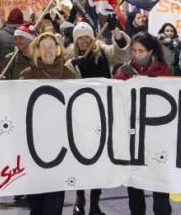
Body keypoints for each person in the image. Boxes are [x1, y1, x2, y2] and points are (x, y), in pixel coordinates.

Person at [66, 22, 129, 215]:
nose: (84, 41)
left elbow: (120, 54)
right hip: (80, 116)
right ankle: (79, 198)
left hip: (103, 113)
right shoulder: (70, 56)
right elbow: (64, 79)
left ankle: (95, 202)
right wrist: (72, 66)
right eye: (80, 38)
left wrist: (117, 36)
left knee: (100, 159)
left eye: (87, 36)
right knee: (80, 158)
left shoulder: (103, 51)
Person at [113, 32, 172, 215]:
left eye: (141, 51)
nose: (137, 55)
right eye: (134, 50)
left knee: (160, 189)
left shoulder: (163, 71)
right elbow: (115, 98)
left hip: (157, 138)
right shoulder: (123, 71)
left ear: (151, 51)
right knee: (135, 188)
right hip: (132, 137)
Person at [21, 33, 78, 215]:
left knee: (53, 201)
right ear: (37, 50)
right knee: (36, 202)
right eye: (43, 47)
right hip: (33, 146)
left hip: (60, 147)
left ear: (58, 50)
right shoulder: (26, 75)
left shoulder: (69, 75)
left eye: (51, 47)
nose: (47, 51)